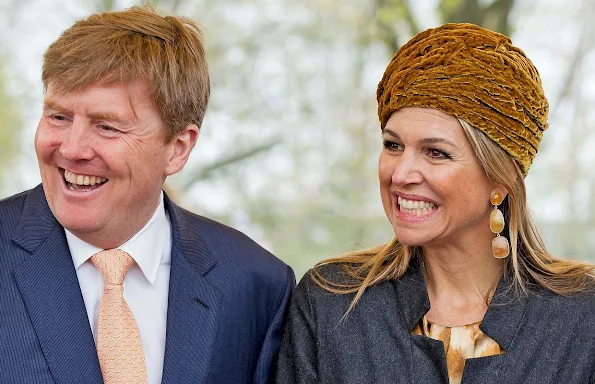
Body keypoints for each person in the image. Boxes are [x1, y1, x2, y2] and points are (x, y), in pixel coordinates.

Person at [275, 23, 595, 384]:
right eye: (393, 145)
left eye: (436, 152)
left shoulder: (583, 318)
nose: (401, 174)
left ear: (501, 177)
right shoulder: (331, 303)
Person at [0, 6, 294, 384]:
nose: (72, 149)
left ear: (177, 148)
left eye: (107, 127)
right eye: (59, 117)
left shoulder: (256, 286)